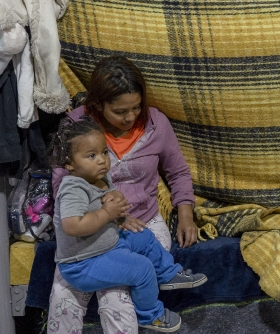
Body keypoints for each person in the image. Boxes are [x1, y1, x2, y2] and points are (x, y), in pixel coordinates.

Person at [31, 116, 203, 334]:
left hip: (108, 245)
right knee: (65, 304)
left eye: (103, 154)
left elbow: (108, 204)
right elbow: (74, 223)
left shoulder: (101, 172)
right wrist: (110, 214)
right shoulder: (71, 181)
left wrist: (122, 218)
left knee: (125, 288)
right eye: (92, 156)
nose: (102, 160)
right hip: (81, 261)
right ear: (70, 163)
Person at [56, 55, 199, 251]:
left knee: (149, 267)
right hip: (93, 223)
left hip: (145, 222)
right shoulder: (76, 128)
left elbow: (178, 172)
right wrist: (108, 216)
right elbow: (61, 184)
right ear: (98, 104)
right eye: (120, 111)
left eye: (137, 107)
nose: (130, 117)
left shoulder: (156, 124)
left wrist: (186, 217)